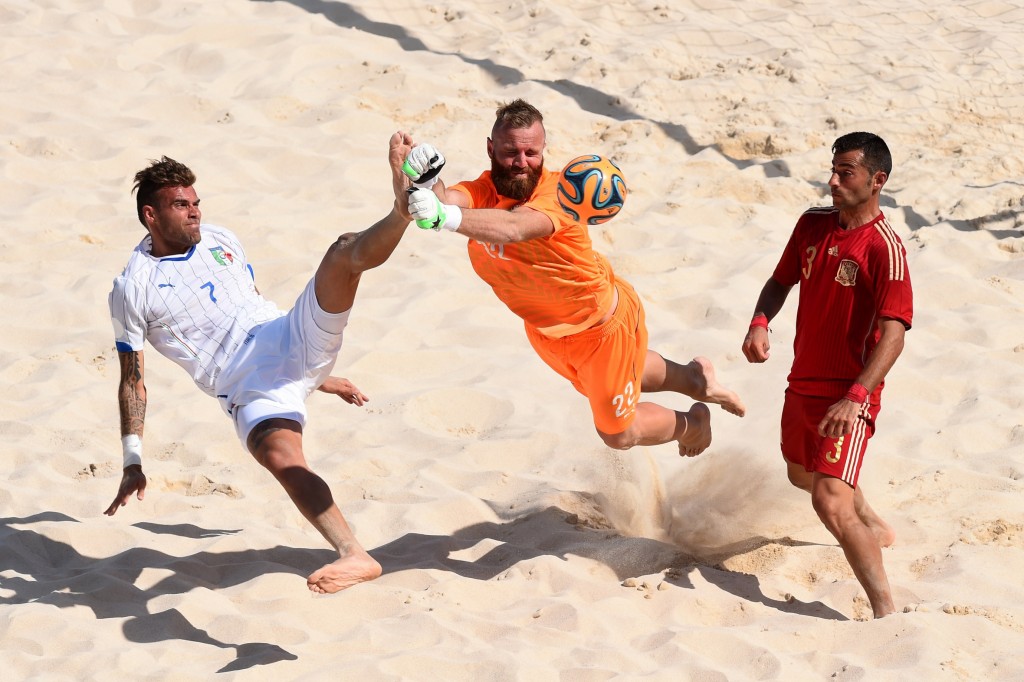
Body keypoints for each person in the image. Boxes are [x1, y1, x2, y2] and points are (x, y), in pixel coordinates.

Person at [105, 132, 417, 594]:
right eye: (180, 205)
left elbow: (246, 307)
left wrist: (317, 374)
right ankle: (355, 555)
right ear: (150, 215)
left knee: (342, 252)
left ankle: (403, 209)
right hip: (244, 381)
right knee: (280, 457)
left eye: (195, 201)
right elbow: (133, 381)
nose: (195, 212)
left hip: (286, 334)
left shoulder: (220, 238)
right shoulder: (134, 287)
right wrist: (133, 461)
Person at [400, 99, 745, 457]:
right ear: (491, 148)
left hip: (601, 329)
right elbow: (449, 200)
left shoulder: (562, 195)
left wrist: (444, 217)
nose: (521, 162)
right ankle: (694, 378)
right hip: (548, 334)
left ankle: (693, 425)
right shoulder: (485, 188)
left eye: (531, 152)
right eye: (509, 152)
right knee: (628, 371)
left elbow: (515, 228)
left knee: (618, 433)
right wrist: (427, 181)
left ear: (543, 149)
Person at [741, 131, 913, 618]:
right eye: (832, 170)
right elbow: (780, 281)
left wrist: (857, 396)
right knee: (802, 475)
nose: (832, 181)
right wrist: (759, 322)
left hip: (850, 394)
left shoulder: (885, 249)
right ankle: (874, 522)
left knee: (828, 501)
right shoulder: (812, 224)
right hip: (803, 383)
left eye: (846, 173)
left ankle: (886, 612)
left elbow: (895, 335)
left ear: (877, 181)